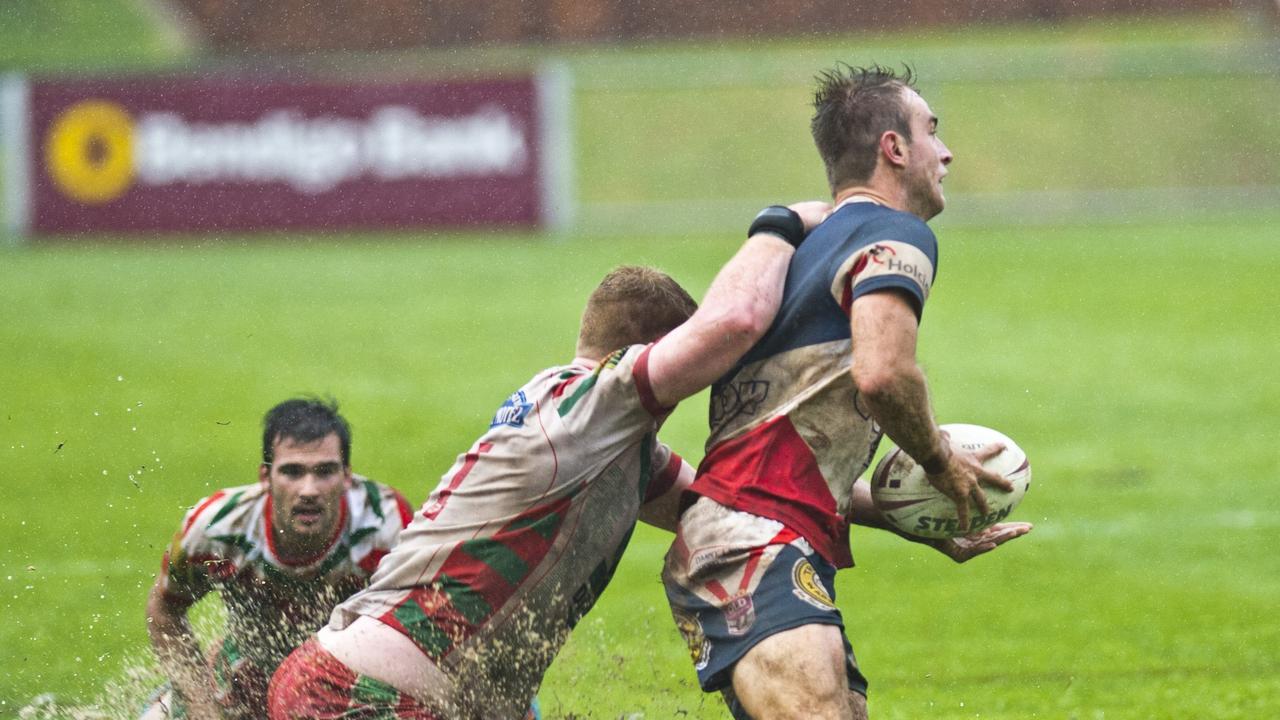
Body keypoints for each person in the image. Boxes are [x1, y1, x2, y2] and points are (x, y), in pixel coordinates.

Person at [266, 201, 831, 720]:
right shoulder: (587, 403)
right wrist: (779, 225)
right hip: (356, 699)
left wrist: (897, 497)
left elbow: (743, 501)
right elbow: (733, 323)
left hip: (360, 690)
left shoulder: (607, 442)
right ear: (638, 355)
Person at [661, 64, 1034, 720]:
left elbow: (789, 443)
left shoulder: (808, 251)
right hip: (755, 540)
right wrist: (941, 464)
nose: (945, 153)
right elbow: (884, 374)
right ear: (893, 148)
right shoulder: (895, 234)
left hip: (751, 537)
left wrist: (911, 513)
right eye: (931, 133)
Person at [142, 398, 413, 720]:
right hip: (248, 673)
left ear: (347, 476)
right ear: (265, 476)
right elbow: (164, 608)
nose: (308, 490)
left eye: (325, 471)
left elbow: (417, 626)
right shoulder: (217, 528)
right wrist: (203, 706)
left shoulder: (387, 526)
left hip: (347, 679)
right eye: (292, 472)